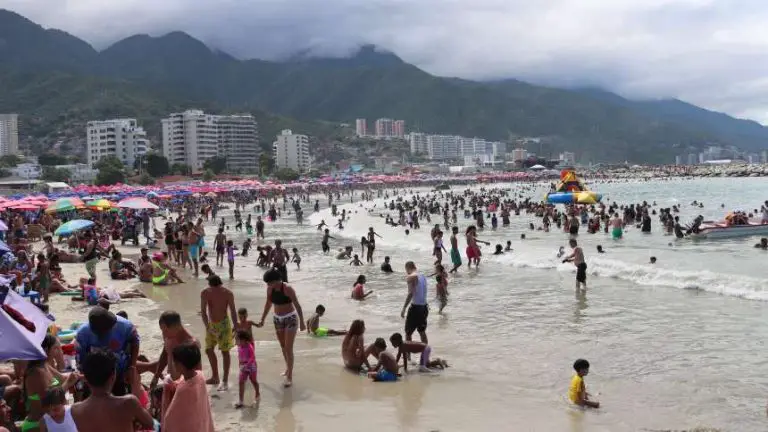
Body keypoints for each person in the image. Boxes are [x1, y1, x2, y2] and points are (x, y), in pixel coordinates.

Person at [70, 350, 154, 432]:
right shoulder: (128, 403)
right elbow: (150, 423)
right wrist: (135, 387)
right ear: (113, 376)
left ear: (85, 379)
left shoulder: (75, 410)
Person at [256, 269, 306, 387]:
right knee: (283, 346)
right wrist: (262, 319)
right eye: (267, 283)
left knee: (288, 348)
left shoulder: (288, 289)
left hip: (290, 318)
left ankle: (290, 377)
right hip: (278, 319)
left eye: (269, 282)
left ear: (277, 280)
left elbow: (297, 305)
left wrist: (302, 322)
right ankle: (288, 368)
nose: (268, 285)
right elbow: (268, 304)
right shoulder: (270, 289)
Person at [75, 307, 139, 396]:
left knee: (119, 398)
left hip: (118, 369)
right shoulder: (83, 333)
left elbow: (135, 343)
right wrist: (83, 374)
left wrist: (132, 367)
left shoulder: (125, 326)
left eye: (106, 332)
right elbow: (80, 357)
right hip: (94, 371)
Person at [161, 343, 215, 431]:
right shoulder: (200, 376)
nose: (174, 365)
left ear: (180, 365)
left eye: (175, 362)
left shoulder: (183, 389)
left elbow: (170, 418)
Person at [200, 275, 237, 391]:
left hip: (223, 326)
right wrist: (208, 327)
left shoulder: (226, 293)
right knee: (209, 350)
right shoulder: (207, 293)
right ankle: (215, 377)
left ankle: (225, 380)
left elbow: (232, 311)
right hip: (212, 325)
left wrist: (235, 326)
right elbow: (203, 312)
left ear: (210, 283)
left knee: (225, 352)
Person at [150, 311, 200, 390]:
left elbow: (197, 374)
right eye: (162, 330)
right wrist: (156, 376)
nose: (163, 334)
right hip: (171, 382)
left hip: (185, 387)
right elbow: (165, 354)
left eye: (165, 330)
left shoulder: (191, 345)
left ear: (176, 326)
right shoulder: (168, 337)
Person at [401, 261, 429, 345]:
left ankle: (408, 356)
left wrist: (404, 308)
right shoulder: (423, 276)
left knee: (408, 333)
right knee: (422, 332)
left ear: (407, 268)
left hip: (415, 308)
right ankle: (425, 354)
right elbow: (423, 292)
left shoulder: (410, 277)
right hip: (424, 307)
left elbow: (410, 293)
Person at [234, 330, 260, 408]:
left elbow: (252, 357)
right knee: (241, 382)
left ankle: (257, 393)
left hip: (251, 366)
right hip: (243, 366)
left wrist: (247, 365)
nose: (236, 341)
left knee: (253, 381)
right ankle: (241, 401)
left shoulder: (249, 346)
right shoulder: (239, 347)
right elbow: (239, 356)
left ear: (243, 340)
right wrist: (240, 364)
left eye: (237, 339)